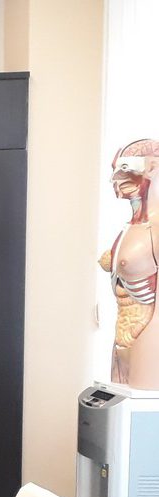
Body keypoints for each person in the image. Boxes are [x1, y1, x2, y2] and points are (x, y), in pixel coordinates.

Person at [100, 139, 159, 387]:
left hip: (147, 335)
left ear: (152, 168)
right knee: (117, 402)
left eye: (125, 169)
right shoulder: (131, 227)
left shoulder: (155, 229)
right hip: (121, 333)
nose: (115, 179)